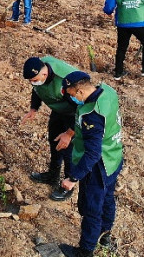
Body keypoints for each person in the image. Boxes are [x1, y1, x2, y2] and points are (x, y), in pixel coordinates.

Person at [60, 71, 123, 257]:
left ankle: (85, 251)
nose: (72, 99)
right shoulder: (108, 91)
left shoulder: (91, 115)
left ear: (80, 92)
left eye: (72, 95)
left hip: (99, 165)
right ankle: (105, 233)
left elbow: (93, 153)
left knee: (91, 208)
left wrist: (73, 178)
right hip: (114, 156)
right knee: (108, 197)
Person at [21, 56, 80, 201]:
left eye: (34, 80)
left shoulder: (65, 82)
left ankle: (68, 185)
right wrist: (34, 108)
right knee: (54, 140)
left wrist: (69, 133)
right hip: (59, 110)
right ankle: (52, 175)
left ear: (44, 74)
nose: (33, 83)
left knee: (68, 150)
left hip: (74, 115)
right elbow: (37, 90)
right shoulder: (39, 72)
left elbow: (80, 109)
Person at [103, 0, 144, 80]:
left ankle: (118, 73)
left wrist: (109, 12)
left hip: (123, 24)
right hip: (140, 23)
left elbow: (108, 8)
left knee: (121, 48)